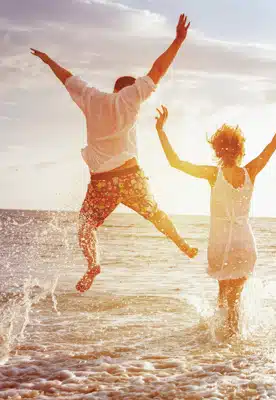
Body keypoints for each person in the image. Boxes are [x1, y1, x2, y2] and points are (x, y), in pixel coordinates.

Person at [30, 14, 197, 293]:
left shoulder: (91, 98)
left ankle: (92, 264)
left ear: (114, 88)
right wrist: (178, 40)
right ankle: (181, 243)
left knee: (85, 226)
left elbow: (67, 78)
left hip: (101, 183)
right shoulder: (131, 98)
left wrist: (48, 61)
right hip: (130, 175)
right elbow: (157, 69)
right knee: (155, 214)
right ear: (130, 89)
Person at [154, 91, 276, 337]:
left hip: (221, 240)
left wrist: (161, 131)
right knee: (234, 294)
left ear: (216, 150)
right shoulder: (251, 170)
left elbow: (175, 162)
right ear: (241, 149)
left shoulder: (212, 174)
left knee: (225, 293)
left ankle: (224, 341)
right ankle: (228, 343)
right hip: (244, 240)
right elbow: (275, 143)